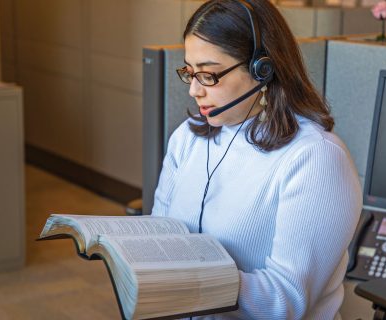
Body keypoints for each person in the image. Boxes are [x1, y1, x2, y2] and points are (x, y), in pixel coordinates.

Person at [151, 0, 362, 319]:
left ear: (262, 70)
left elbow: (285, 302)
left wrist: (194, 280)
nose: (194, 90)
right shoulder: (188, 138)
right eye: (189, 72)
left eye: (208, 75)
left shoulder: (314, 158)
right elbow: (158, 235)